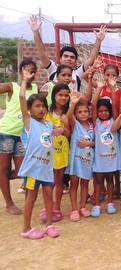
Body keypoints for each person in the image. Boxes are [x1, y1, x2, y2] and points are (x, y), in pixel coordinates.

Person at [18, 67, 59, 239]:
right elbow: (21, 97)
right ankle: (26, 229)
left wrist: (61, 130)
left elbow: (59, 130)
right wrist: (25, 81)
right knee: (31, 197)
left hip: (47, 168)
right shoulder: (29, 122)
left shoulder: (48, 125)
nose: (41, 109)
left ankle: (49, 224)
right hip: (34, 169)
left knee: (48, 196)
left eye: (43, 106)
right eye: (37, 106)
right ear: (29, 109)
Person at [0, 58, 39, 214]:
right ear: (20, 71)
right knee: (4, 168)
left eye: (32, 71)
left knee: (23, 170)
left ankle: (28, 201)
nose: (30, 73)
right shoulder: (12, 86)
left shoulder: (36, 88)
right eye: (27, 70)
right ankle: (9, 203)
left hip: (24, 136)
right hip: (6, 133)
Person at [29, 15, 107, 91]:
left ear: (76, 61)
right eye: (66, 56)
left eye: (72, 57)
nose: (69, 59)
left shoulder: (77, 72)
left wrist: (98, 40)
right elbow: (42, 53)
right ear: (60, 58)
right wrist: (36, 32)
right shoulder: (53, 69)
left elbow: (91, 59)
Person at [39, 83, 70, 222]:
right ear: (54, 96)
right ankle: (47, 206)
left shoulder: (67, 113)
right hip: (48, 151)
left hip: (62, 151)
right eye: (60, 95)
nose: (63, 98)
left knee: (59, 180)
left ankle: (57, 207)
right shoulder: (46, 112)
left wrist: (64, 128)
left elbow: (70, 135)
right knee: (48, 181)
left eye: (66, 95)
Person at [91, 78, 119, 217]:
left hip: (112, 158)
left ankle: (110, 202)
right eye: (101, 111)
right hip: (99, 159)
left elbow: (114, 105)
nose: (103, 113)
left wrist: (113, 88)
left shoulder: (114, 121)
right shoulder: (95, 122)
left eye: (105, 111)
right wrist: (99, 88)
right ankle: (96, 204)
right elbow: (94, 104)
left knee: (110, 180)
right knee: (98, 181)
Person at [66, 91, 95, 221]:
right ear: (76, 115)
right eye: (80, 112)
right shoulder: (75, 125)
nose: (83, 114)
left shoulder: (92, 126)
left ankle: (82, 206)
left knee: (85, 184)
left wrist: (89, 143)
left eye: (85, 111)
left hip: (87, 161)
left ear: (89, 113)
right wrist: (73, 103)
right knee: (74, 183)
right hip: (75, 160)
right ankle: (73, 208)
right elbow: (68, 116)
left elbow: (97, 143)